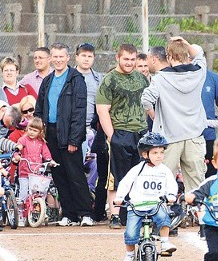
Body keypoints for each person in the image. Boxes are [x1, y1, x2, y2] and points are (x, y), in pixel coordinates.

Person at [34, 43, 94, 226]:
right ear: (50, 59)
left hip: (69, 134)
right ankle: (68, 213)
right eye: (55, 57)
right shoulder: (48, 80)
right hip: (51, 133)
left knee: (75, 174)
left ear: (68, 58)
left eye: (62, 56)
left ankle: (85, 213)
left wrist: (74, 139)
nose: (58, 60)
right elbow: (40, 108)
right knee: (59, 175)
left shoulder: (76, 79)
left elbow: (79, 111)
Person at [141, 36, 207, 193]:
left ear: (169, 57)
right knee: (197, 184)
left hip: (170, 136)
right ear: (186, 55)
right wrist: (185, 42)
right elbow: (199, 54)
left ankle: (165, 216)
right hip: (194, 135)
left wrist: (154, 116)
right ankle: (197, 215)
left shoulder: (161, 78)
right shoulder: (198, 72)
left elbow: (146, 100)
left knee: (164, 182)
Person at [96, 43, 149, 229]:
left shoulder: (142, 79)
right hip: (120, 132)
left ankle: (136, 213)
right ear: (118, 58)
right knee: (117, 177)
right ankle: (115, 215)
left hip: (140, 133)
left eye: (133, 59)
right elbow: (103, 110)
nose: (129, 63)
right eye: (126, 59)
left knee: (139, 175)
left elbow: (149, 106)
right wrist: (112, 137)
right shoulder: (109, 80)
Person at [116, 132, 178, 261]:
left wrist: (171, 195)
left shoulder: (165, 170)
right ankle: (130, 255)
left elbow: (172, 185)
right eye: (155, 153)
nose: (159, 156)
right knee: (131, 233)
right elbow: (125, 183)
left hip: (156, 204)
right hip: (136, 206)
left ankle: (165, 242)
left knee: (163, 218)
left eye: (162, 152)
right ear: (145, 155)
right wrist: (119, 198)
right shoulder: (137, 170)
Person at [74, 42, 103, 193]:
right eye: (83, 56)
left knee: (98, 162)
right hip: (74, 130)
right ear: (76, 57)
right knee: (76, 165)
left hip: (93, 130)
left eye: (89, 56)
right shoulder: (69, 77)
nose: (86, 59)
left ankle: (90, 190)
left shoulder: (99, 79)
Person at [15, 117, 53, 202]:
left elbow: (46, 153)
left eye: (35, 131)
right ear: (27, 128)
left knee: (38, 192)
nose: (31, 132)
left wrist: (50, 160)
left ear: (40, 132)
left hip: (36, 172)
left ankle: (38, 211)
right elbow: (17, 148)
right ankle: (21, 212)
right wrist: (17, 155)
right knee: (24, 193)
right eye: (30, 129)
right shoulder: (23, 139)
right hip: (24, 171)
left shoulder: (41, 142)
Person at [201, 67, 218, 178]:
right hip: (184, 135)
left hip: (208, 136)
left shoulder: (212, 78)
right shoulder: (178, 77)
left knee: (210, 175)